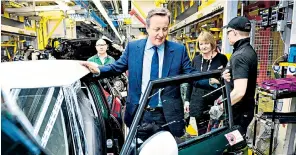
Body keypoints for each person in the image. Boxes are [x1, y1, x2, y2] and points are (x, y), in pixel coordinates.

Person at [81, 8, 193, 139]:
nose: (161, 34)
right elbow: (117, 67)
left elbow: (191, 74)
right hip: (139, 114)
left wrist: (213, 79)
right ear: (147, 28)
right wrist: (99, 70)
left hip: (167, 116)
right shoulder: (133, 48)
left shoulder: (179, 50)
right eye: (157, 29)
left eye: (165, 29)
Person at [185, 31, 228, 135]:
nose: (203, 46)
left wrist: (218, 81)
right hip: (198, 101)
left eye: (206, 43)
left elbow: (226, 80)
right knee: (202, 132)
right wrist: (187, 100)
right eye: (201, 44)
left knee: (216, 132)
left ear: (212, 43)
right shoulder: (196, 60)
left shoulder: (221, 59)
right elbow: (191, 81)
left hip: (215, 102)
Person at [222, 16, 258, 135]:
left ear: (234, 32)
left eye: (228, 32)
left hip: (238, 113)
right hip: (245, 110)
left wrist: (221, 107)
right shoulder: (248, 50)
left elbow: (239, 92)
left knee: (234, 146)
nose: (227, 36)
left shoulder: (240, 56)